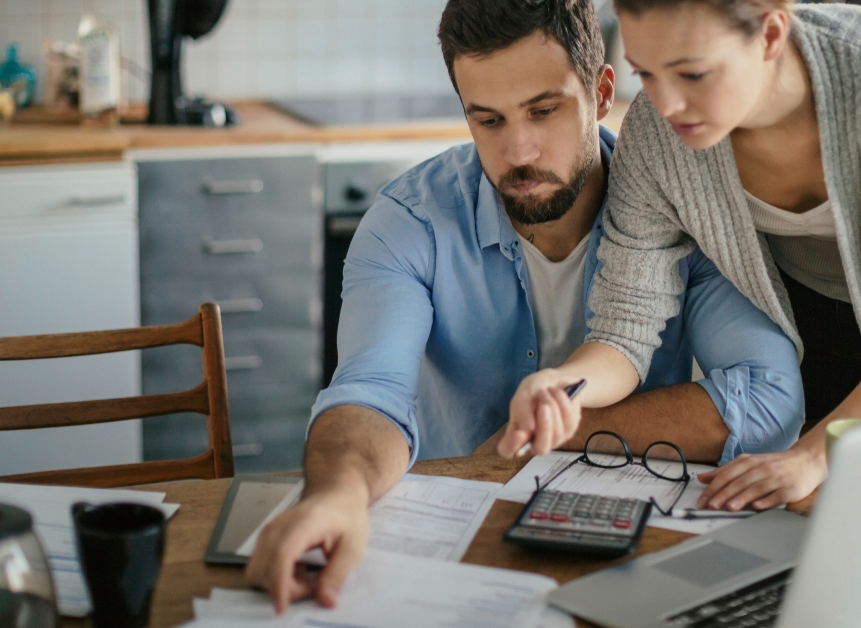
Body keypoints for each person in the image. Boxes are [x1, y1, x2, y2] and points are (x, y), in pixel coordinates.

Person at [243, 0, 805, 613]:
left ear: (601, 92)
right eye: (488, 120)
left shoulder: (680, 212)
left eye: (543, 110)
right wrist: (339, 496)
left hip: (626, 544)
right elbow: (371, 393)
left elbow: (769, 401)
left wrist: (552, 433)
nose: (518, 151)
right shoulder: (409, 223)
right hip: (451, 542)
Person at [501, 0, 861, 513]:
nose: (668, 105)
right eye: (647, 74)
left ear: (770, 34)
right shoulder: (657, 137)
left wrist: (812, 456)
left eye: (693, 74)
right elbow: (625, 328)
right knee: (810, 525)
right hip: (804, 315)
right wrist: (566, 384)